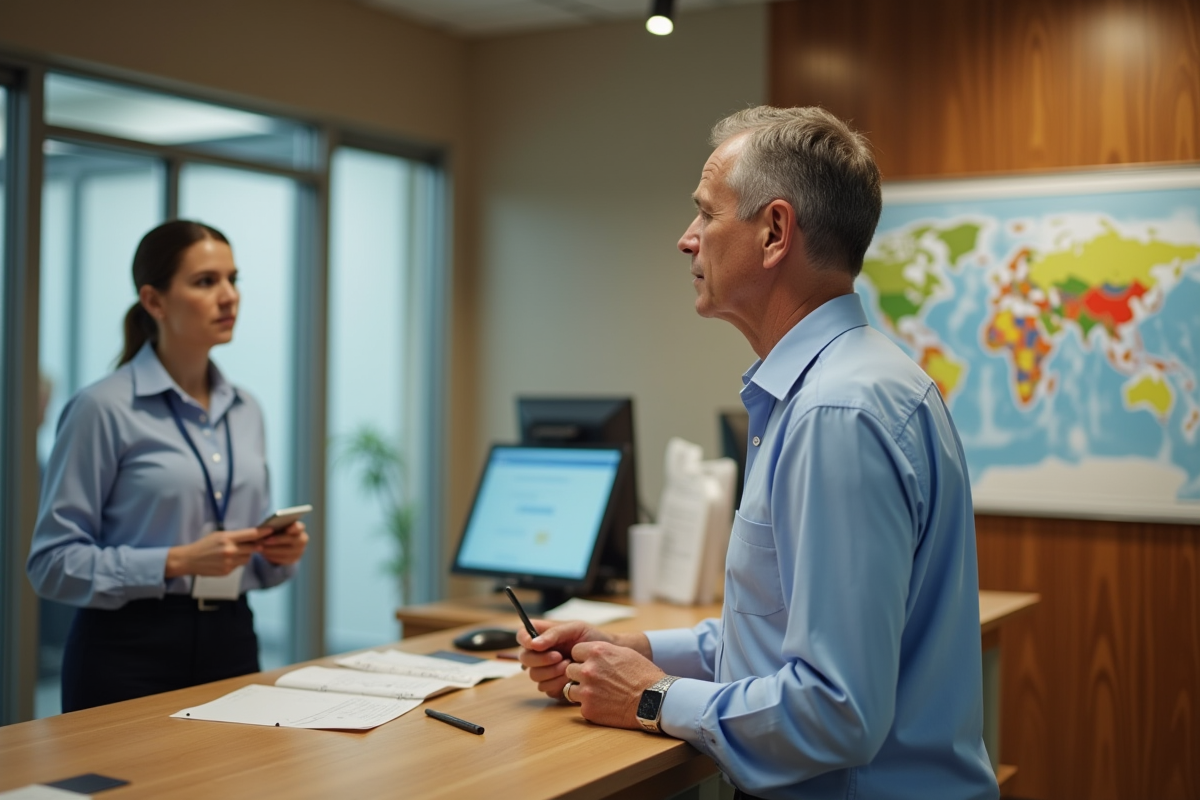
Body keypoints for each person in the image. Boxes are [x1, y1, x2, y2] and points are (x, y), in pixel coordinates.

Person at [517, 107, 999, 800]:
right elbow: (779, 639)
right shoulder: (838, 387)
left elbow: (837, 714)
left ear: (774, 233)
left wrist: (652, 699)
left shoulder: (838, 412)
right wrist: (638, 654)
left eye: (705, 215)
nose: (686, 241)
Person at [27, 219, 308, 712]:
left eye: (233, 279)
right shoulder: (102, 408)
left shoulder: (247, 409)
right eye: (206, 282)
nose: (228, 297)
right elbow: (51, 565)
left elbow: (250, 562)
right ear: (154, 302)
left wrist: (276, 553)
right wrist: (175, 561)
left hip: (232, 636)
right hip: (126, 647)